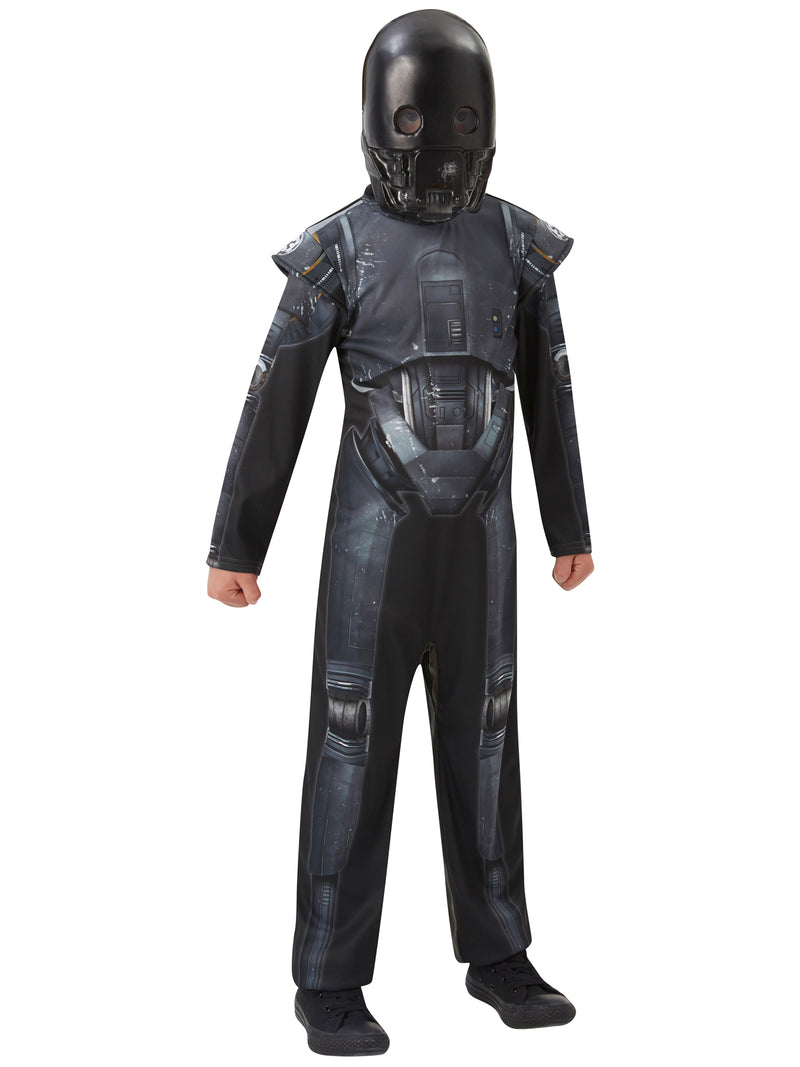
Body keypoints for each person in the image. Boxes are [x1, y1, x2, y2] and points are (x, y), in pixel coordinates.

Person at [206, 9, 594, 1056]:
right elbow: (276, 398)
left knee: (487, 740)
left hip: (482, 552)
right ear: (383, 118)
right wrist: (237, 544)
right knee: (349, 745)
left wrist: (568, 523)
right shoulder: (336, 251)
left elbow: (550, 390)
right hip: (367, 556)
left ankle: (499, 954)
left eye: (460, 118)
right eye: (419, 118)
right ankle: (328, 978)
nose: (439, 142)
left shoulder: (517, 245)